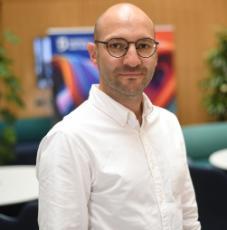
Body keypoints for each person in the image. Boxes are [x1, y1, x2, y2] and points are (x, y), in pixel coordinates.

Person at [36, 3, 201, 230]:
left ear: (155, 52)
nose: (132, 60)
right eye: (117, 45)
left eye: (143, 46)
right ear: (94, 54)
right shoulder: (68, 140)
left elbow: (188, 218)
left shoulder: (168, 123)